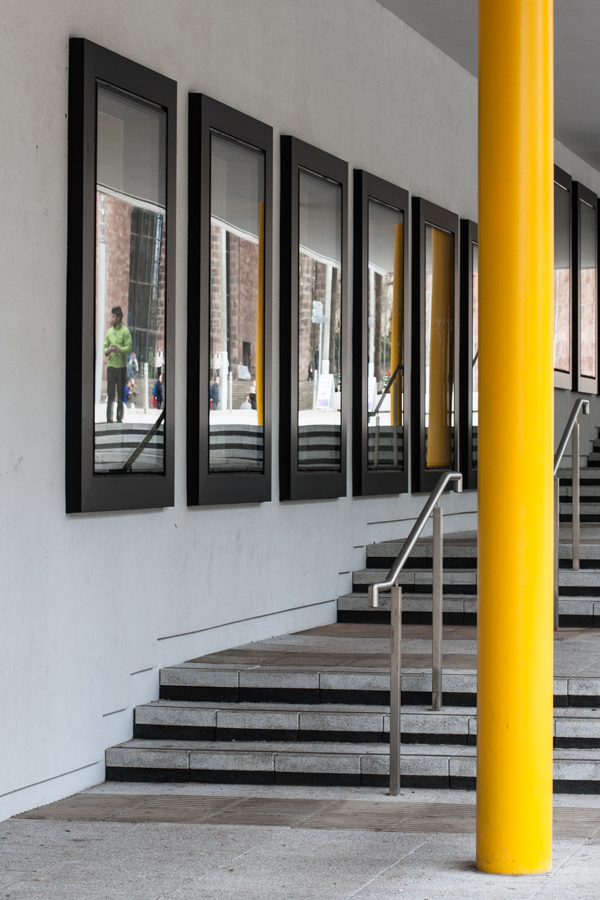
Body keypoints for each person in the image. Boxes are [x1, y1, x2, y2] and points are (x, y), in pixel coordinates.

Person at [104, 306, 132, 423]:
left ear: (118, 318)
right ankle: (109, 419)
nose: (112, 318)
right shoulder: (109, 332)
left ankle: (119, 418)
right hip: (111, 367)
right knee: (110, 393)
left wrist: (119, 350)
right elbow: (105, 347)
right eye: (112, 316)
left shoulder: (125, 331)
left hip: (121, 367)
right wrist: (107, 351)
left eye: (113, 316)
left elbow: (129, 348)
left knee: (120, 393)